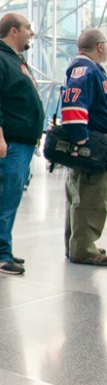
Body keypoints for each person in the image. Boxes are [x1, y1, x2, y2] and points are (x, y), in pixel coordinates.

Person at [0, 13, 44, 274]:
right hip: (8, 142)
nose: (31, 32)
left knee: (7, 196)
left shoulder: (14, 59)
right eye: (28, 27)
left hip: (18, 142)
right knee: (5, 197)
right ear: (13, 31)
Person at [61, 28, 107, 266]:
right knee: (91, 198)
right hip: (92, 145)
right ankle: (83, 250)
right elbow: (73, 105)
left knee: (80, 195)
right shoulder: (85, 70)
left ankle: (79, 244)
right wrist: (82, 142)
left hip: (91, 143)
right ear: (99, 46)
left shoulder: (87, 69)